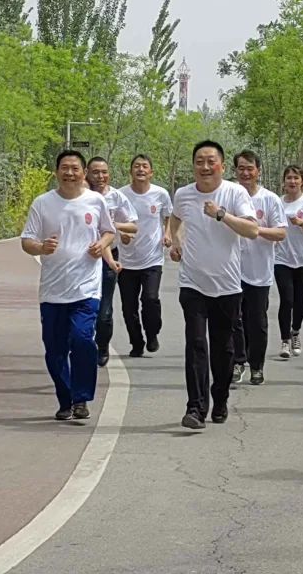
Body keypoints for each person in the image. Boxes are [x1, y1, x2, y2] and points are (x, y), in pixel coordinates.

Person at [169, 141, 258, 429]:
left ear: (222, 165)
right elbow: (175, 218)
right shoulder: (183, 194)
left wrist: (221, 214)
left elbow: (252, 229)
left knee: (223, 348)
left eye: (211, 161)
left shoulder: (235, 192)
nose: (205, 167)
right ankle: (195, 408)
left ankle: (220, 398)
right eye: (199, 161)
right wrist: (175, 240)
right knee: (196, 343)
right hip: (192, 282)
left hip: (226, 285)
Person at [20, 150, 116, 420]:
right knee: (55, 351)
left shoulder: (95, 201)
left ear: (84, 173)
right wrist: (42, 247)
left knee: (83, 339)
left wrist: (101, 244)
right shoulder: (43, 203)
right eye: (65, 168)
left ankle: (81, 399)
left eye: (75, 168)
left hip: (86, 288)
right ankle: (66, 399)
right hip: (53, 291)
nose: (70, 173)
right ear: (56, 172)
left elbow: (109, 231)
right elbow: (26, 241)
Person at [231, 150, 286, 386]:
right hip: (231, 270)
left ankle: (256, 366)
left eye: (249, 168)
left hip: (259, 271)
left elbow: (281, 233)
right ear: (235, 171)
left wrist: (253, 230)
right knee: (234, 320)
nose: (245, 173)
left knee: (257, 322)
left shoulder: (270, 199)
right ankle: (237, 362)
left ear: (258, 171)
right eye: (241, 168)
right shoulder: (228, 196)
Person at [117, 154, 173, 359]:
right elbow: (115, 221)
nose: (140, 169)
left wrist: (167, 234)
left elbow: (168, 216)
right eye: (137, 166)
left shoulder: (160, 194)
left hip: (152, 258)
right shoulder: (121, 195)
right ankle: (136, 342)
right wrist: (122, 235)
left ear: (151, 172)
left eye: (144, 166)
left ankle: (152, 333)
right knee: (128, 306)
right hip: (126, 260)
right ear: (130, 171)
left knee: (150, 299)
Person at [86, 157, 139, 366]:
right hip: (82, 258)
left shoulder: (117, 197)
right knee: (83, 305)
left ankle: (102, 347)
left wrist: (112, 225)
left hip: (109, 257)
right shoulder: (81, 195)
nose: (100, 176)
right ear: (87, 173)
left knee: (104, 308)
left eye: (104, 172)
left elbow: (133, 226)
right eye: (95, 172)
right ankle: (82, 345)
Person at [273, 166, 303, 361]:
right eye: (289, 178)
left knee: (299, 301)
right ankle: (285, 340)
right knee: (286, 299)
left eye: (296, 178)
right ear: (284, 181)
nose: (292, 181)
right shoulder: (277, 202)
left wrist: (302, 223)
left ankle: (295, 332)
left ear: (302, 181)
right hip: (281, 259)